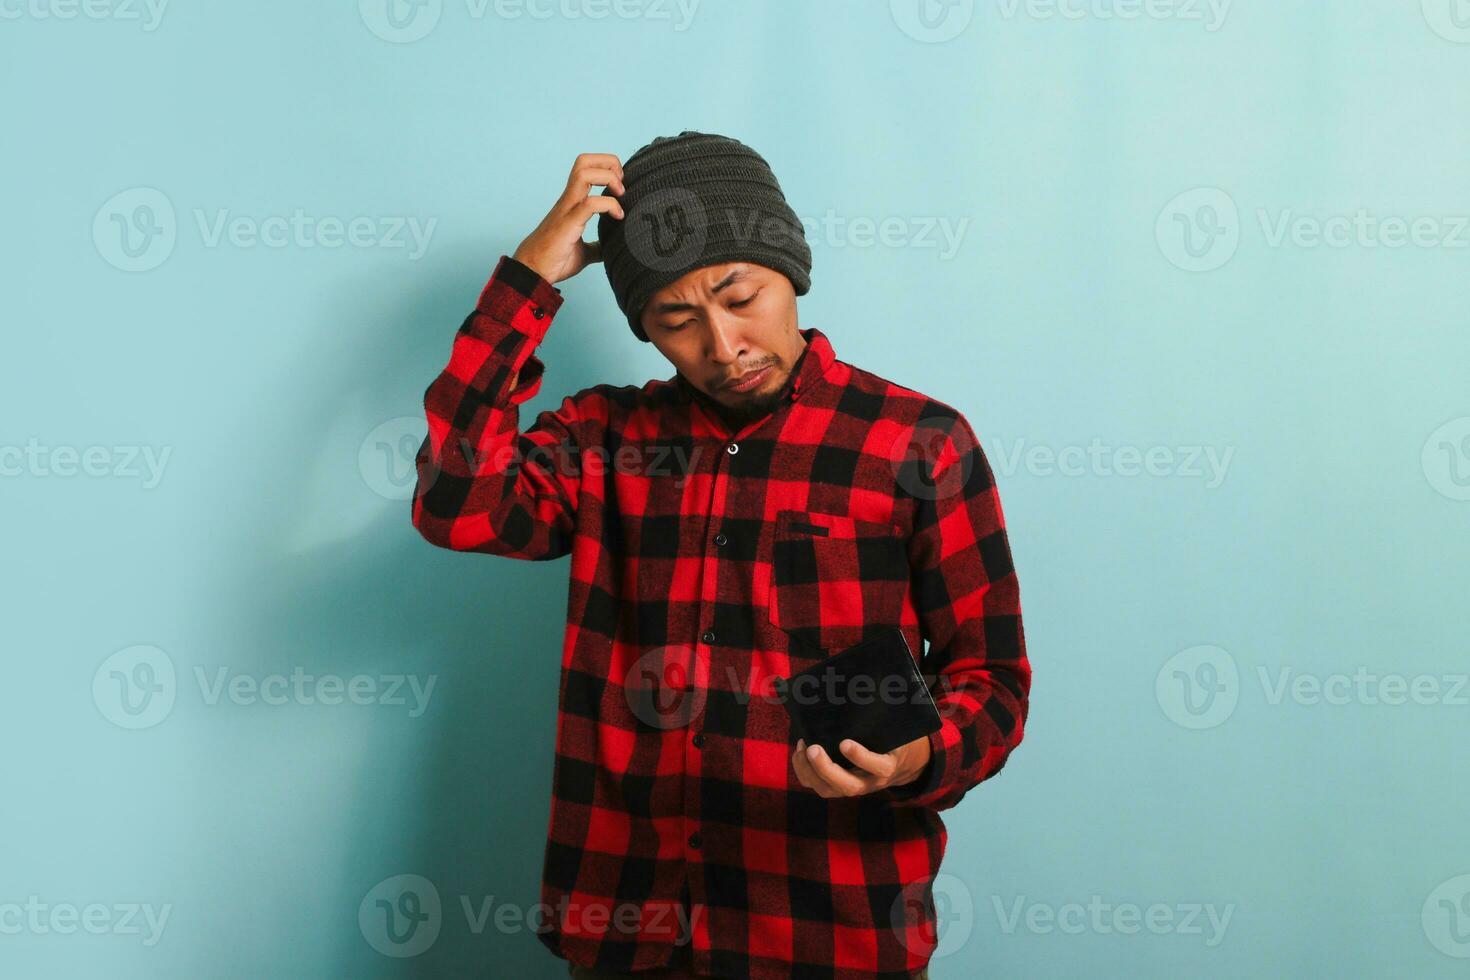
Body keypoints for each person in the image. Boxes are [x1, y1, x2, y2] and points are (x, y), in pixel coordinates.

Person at [411, 131, 1030, 980]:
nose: (724, 343)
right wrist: (526, 285)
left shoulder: (920, 444)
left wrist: (917, 756)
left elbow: (992, 683)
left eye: (741, 296)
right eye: (676, 321)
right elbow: (456, 506)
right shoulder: (604, 439)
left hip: (833, 930)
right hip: (628, 932)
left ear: (790, 274)